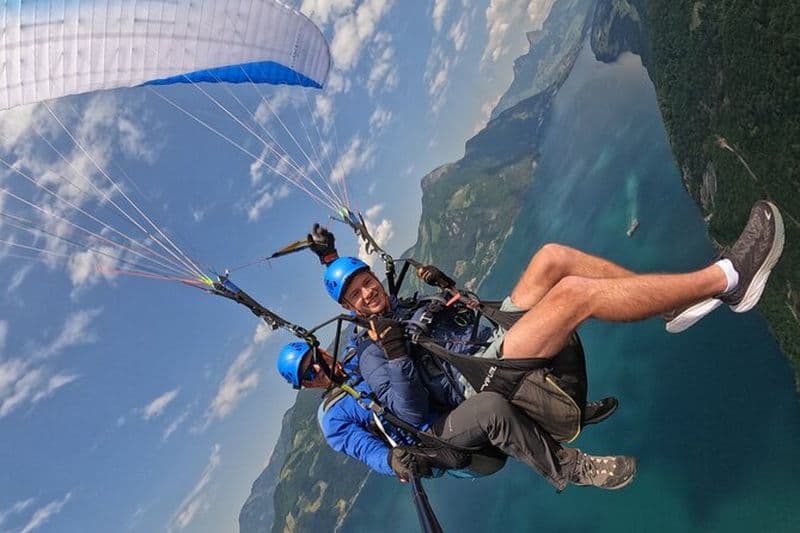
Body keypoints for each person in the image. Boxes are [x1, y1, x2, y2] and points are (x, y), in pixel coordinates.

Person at [311, 200, 784, 490]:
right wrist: (396, 356)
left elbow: (457, 320)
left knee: (553, 258)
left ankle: (671, 305)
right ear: (350, 308)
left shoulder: (401, 304)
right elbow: (411, 414)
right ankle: (727, 279)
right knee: (574, 295)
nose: (367, 293)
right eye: (356, 295)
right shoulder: (372, 351)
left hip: (490, 340)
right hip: (480, 377)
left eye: (366, 282)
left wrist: (444, 287)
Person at [276, 339, 631, 489]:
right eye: (309, 374)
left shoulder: (360, 357)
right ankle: (571, 468)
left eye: (315, 358)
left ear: (321, 349)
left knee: (501, 370)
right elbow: (366, 450)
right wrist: (392, 461)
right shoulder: (333, 418)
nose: (318, 368)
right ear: (305, 386)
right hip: (434, 441)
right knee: (490, 408)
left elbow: (363, 313)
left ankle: (567, 413)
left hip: (451, 405)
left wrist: (330, 258)